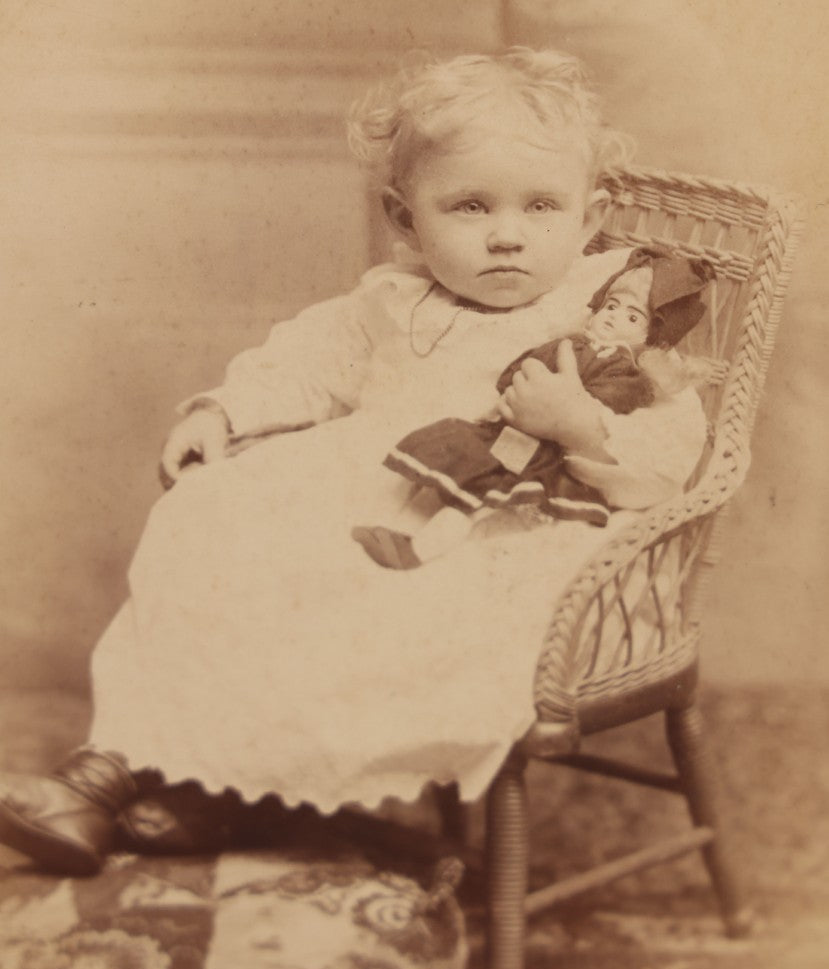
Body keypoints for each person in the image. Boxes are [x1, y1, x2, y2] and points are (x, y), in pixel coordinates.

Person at [0, 47, 708, 876]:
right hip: (369, 497)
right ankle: (124, 770)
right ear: (405, 219)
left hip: (505, 541)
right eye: (469, 206)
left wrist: (581, 430)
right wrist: (222, 408)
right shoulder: (390, 299)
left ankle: (199, 789)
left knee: (342, 589)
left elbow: (668, 452)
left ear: (590, 218)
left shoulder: (605, 316)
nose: (507, 235)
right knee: (211, 518)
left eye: (541, 205)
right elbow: (306, 360)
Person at [353, 247, 714, 568]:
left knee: (483, 490)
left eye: (632, 318)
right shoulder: (569, 342)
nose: (613, 318)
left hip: (543, 451)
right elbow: (526, 361)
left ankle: (419, 550)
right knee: (452, 449)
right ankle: (398, 524)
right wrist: (513, 380)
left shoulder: (625, 372)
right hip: (512, 427)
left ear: (649, 340)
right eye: (611, 306)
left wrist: (568, 411)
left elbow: (608, 404)